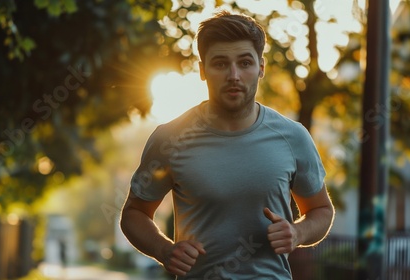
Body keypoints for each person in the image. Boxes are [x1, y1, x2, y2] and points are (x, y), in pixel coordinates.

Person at [120, 10, 335, 279]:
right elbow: (134, 213)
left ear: (261, 68)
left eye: (245, 63)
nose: (234, 75)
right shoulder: (170, 138)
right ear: (202, 70)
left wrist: (298, 232)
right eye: (220, 64)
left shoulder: (293, 137)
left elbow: (321, 210)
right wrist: (164, 250)